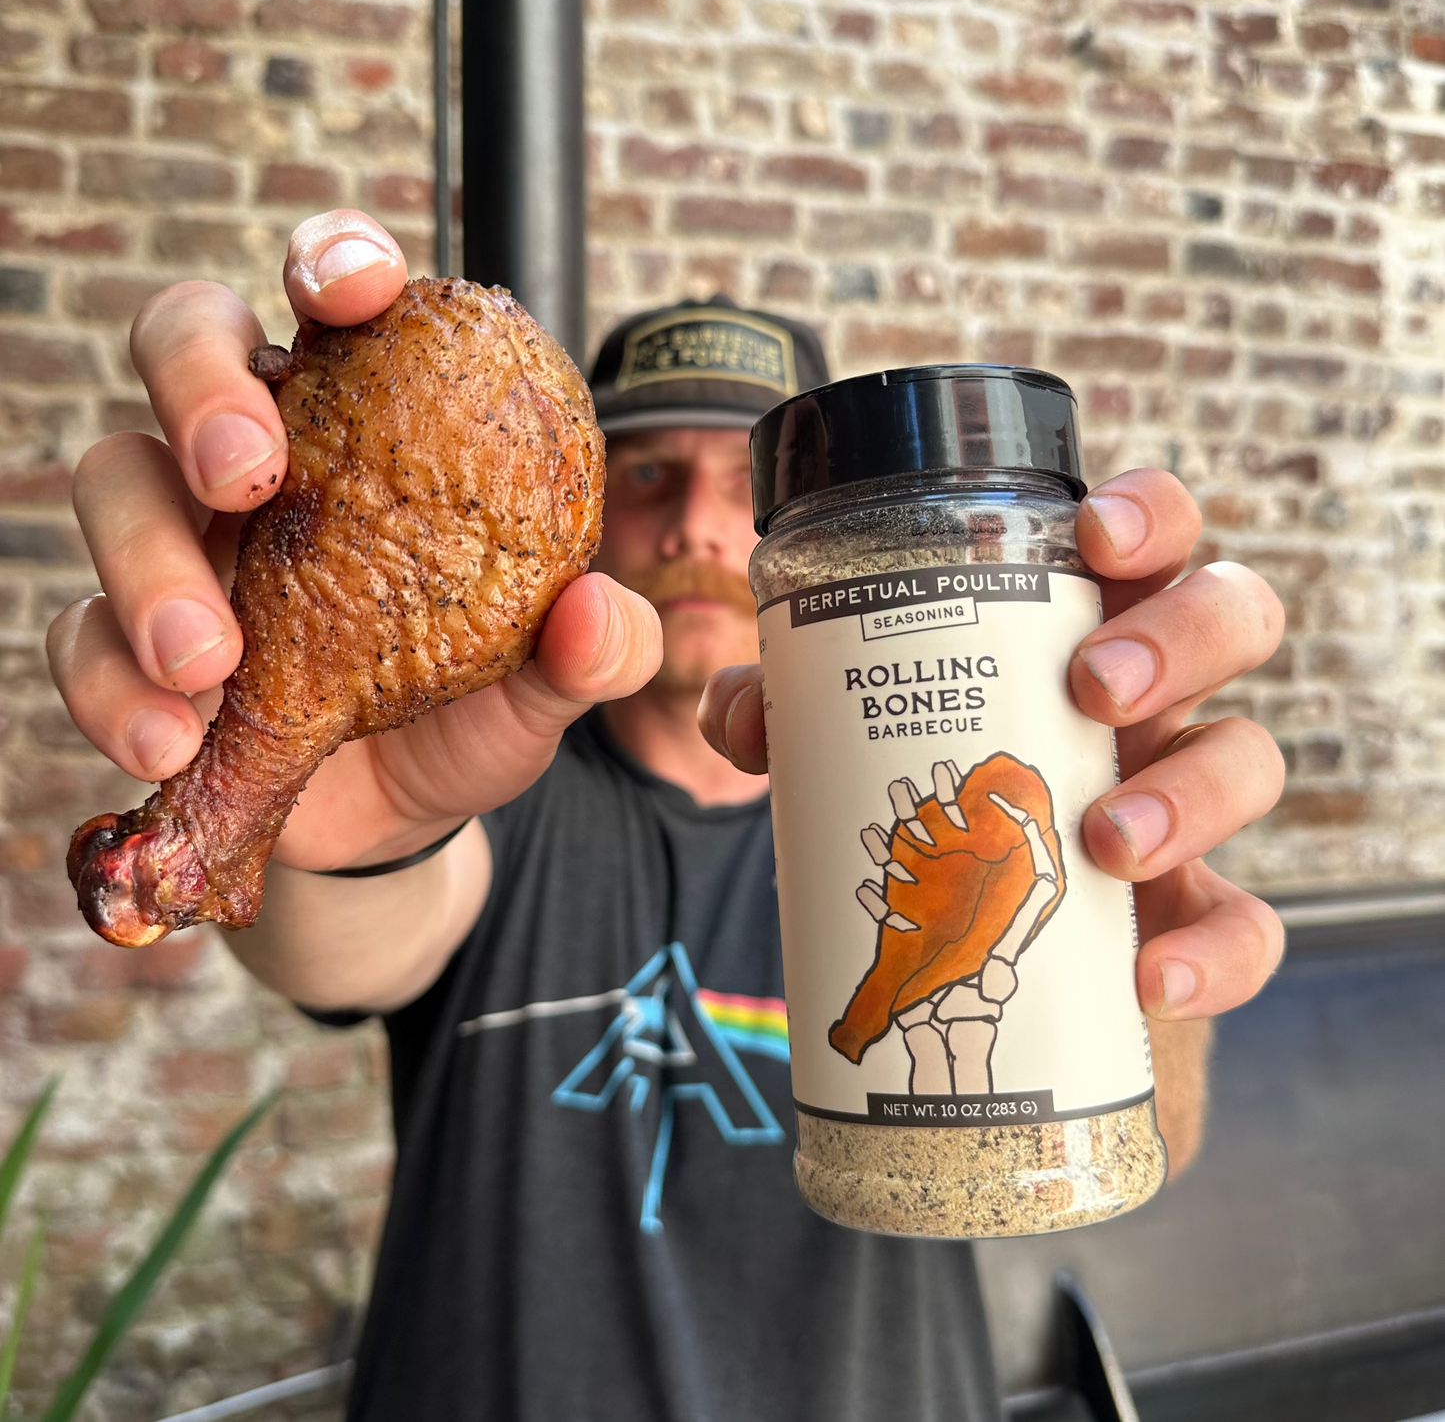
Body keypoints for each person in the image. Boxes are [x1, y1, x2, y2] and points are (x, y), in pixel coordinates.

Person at [48, 210, 1286, 1422]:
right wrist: (305, 775)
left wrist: (1122, 894)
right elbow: (355, 921)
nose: (693, 519)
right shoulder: (502, 796)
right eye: (646, 472)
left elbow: (1153, 1139)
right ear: (576, 504)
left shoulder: (966, 827)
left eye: (730, 477)